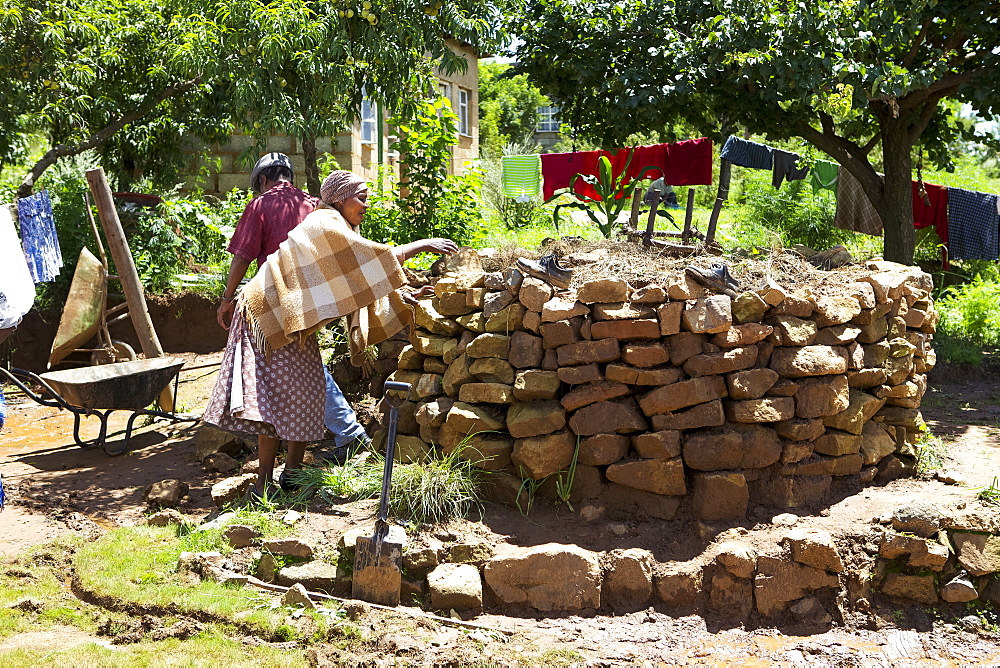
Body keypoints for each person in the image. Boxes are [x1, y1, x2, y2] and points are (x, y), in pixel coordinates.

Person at [204, 168, 456, 496]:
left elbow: (352, 280)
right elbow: (370, 260)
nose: (367, 204)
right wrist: (423, 244)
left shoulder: (335, 224)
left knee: (307, 391)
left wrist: (403, 293)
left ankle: (292, 476)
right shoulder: (324, 223)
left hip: (291, 321)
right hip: (265, 316)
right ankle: (265, 483)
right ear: (339, 199)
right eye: (361, 198)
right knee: (276, 396)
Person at [217, 154, 369, 464]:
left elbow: (243, 256)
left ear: (263, 180)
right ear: (289, 176)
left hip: (274, 303)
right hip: (313, 299)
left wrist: (227, 297)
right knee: (308, 369)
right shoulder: (315, 204)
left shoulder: (260, 205)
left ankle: (343, 433)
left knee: (275, 373)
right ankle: (339, 435)